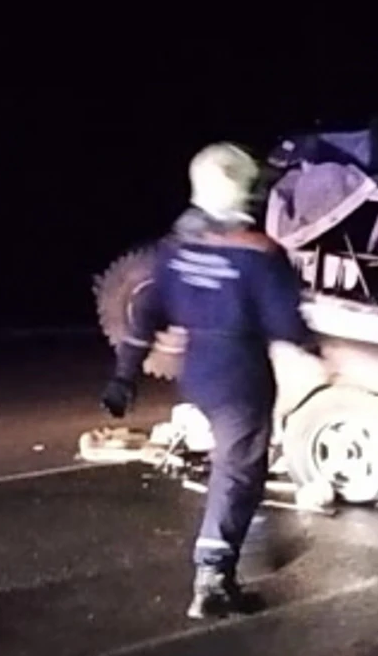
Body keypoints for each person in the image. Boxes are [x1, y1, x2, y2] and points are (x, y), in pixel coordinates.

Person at [101, 142, 322, 619]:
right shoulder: (260, 254)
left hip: (197, 371)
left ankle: (230, 552)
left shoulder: (175, 248)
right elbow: (285, 322)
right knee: (239, 472)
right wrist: (315, 350)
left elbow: (146, 313)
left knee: (234, 467)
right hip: (241, 374)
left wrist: (124, 376)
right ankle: (212, 579)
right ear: (244, 190)